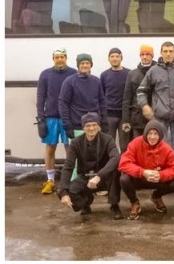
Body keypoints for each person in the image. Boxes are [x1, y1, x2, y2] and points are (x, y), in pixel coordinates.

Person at [137, 41, 174, 193]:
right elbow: (141, 91)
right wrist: (145, 106)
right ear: (161, 53)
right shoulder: (153, 71)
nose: (168, 54)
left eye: (170, 51)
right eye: (165, 51)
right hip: (160, 118)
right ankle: (162, 180)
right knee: (160, 150)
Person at [57, 113, 122, 219]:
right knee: (63, 192)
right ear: (83, 128)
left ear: (99, 126)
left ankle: (114, 205)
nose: (91, 128)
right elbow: (68, 166)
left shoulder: (108, 139)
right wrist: (64, 192)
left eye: (94, 125)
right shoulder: (75, 142)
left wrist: (99, 175)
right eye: (88, 125)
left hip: (104, 177)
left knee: (115, 172)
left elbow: (115, 158)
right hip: (85, 177)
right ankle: (85, 202)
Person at [118, 119, 174, 220]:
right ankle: (134, 202)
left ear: (160, 135)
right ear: (145, 134)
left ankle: (156, 196)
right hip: (139, 178)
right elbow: (123, 164)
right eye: (150, 133)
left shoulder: (166, 149)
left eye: (155, 134)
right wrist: (142, 172)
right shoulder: (135, 143)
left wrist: (161, 175)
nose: (152, 137)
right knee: (124, 179)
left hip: (157, 180)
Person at [36, 47, 77, 194]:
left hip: (68, 118)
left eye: (62, 57)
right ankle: (50, 180)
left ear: (66, 58)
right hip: (51, 117)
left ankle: (70, 180)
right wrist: (41, 118)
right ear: (53, 59)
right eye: (57, 57)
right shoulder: (45, 74)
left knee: (70, 149)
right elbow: (40, 97)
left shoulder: (73, 73)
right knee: (50, 148)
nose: (59, 60)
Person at [59, 53, 107, 141]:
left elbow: (102, 102)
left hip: (94, 126)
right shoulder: (69, 82)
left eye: (87, 63)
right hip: (77, 127)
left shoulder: (97, 81)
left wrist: (104, 121)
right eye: (82, 63)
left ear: (91, 65)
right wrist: (67, 125)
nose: (85, 65)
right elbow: (63, 103)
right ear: (78, 65)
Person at [122, 45, 156, 143]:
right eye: (142, 54)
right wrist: (126, 120)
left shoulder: (157, 72)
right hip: (137, 119)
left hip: (155, 117)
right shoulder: (132, 74)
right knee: (138, 145)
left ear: (152, 56)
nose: (145, 57)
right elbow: (127, 98)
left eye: (148, 54)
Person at [100, 47, 130, 152]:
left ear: (121, 58)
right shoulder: (104, 75)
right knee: (109, 143)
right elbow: (101, 95)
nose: (115, 59)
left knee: (125, 145)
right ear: (108, 58)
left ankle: (124, 162)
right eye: (112, 56)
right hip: (109, 115)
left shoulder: (129, 74)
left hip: (124, 115)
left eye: (117, 56)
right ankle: (111, 162)